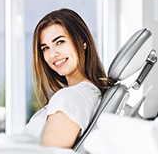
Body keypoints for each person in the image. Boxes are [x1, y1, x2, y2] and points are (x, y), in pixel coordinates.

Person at [22, 8, 113, 148]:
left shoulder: (71, 97)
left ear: (83, 42)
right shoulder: (83, 94)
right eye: (45, 48)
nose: (52, 54)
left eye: (60, 42)